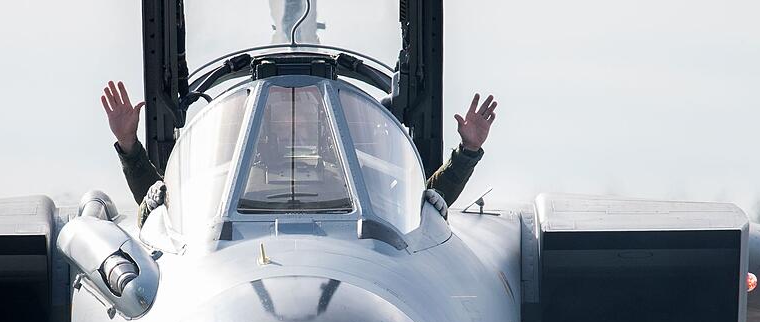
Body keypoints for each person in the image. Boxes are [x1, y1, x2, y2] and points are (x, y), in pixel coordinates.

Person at [101, 80, 497, 222]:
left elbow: (421, 208)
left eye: (307, 107)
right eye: (284, 111)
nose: (295, 116)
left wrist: (467, 151)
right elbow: (166, 212)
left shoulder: (360, 178)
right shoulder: (223, 182)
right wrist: (129, 146)